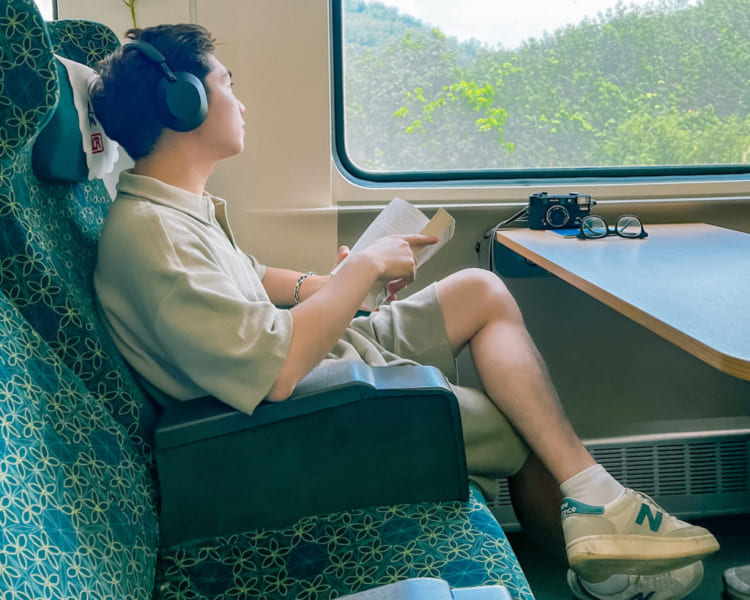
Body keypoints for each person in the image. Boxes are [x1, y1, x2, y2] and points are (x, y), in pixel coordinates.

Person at [90, 24, 718, 600]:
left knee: (479, 288)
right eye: (228, 85)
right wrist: (360, 274)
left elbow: (251, 281)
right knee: (524, 418)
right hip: (305, 403)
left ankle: (593, 503)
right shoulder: (154, 237)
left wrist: (333, 282)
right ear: (185, 103)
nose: (241, 102)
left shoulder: (175, 209)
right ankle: (600, 553)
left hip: (324, 357)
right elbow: (275, 369)